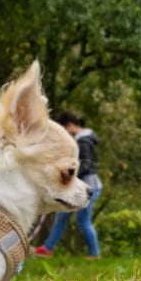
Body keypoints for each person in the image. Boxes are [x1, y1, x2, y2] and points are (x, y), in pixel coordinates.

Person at [34, 111, 103, 259]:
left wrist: (67, 174)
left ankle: (94, 253)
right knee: (61, 217)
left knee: (83, 221)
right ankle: (48, 248)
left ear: (70, 126)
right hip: (74, 186)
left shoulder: (83, 142)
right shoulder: (83, 140)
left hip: (90, 186)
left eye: (64, 128)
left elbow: (87, 166)